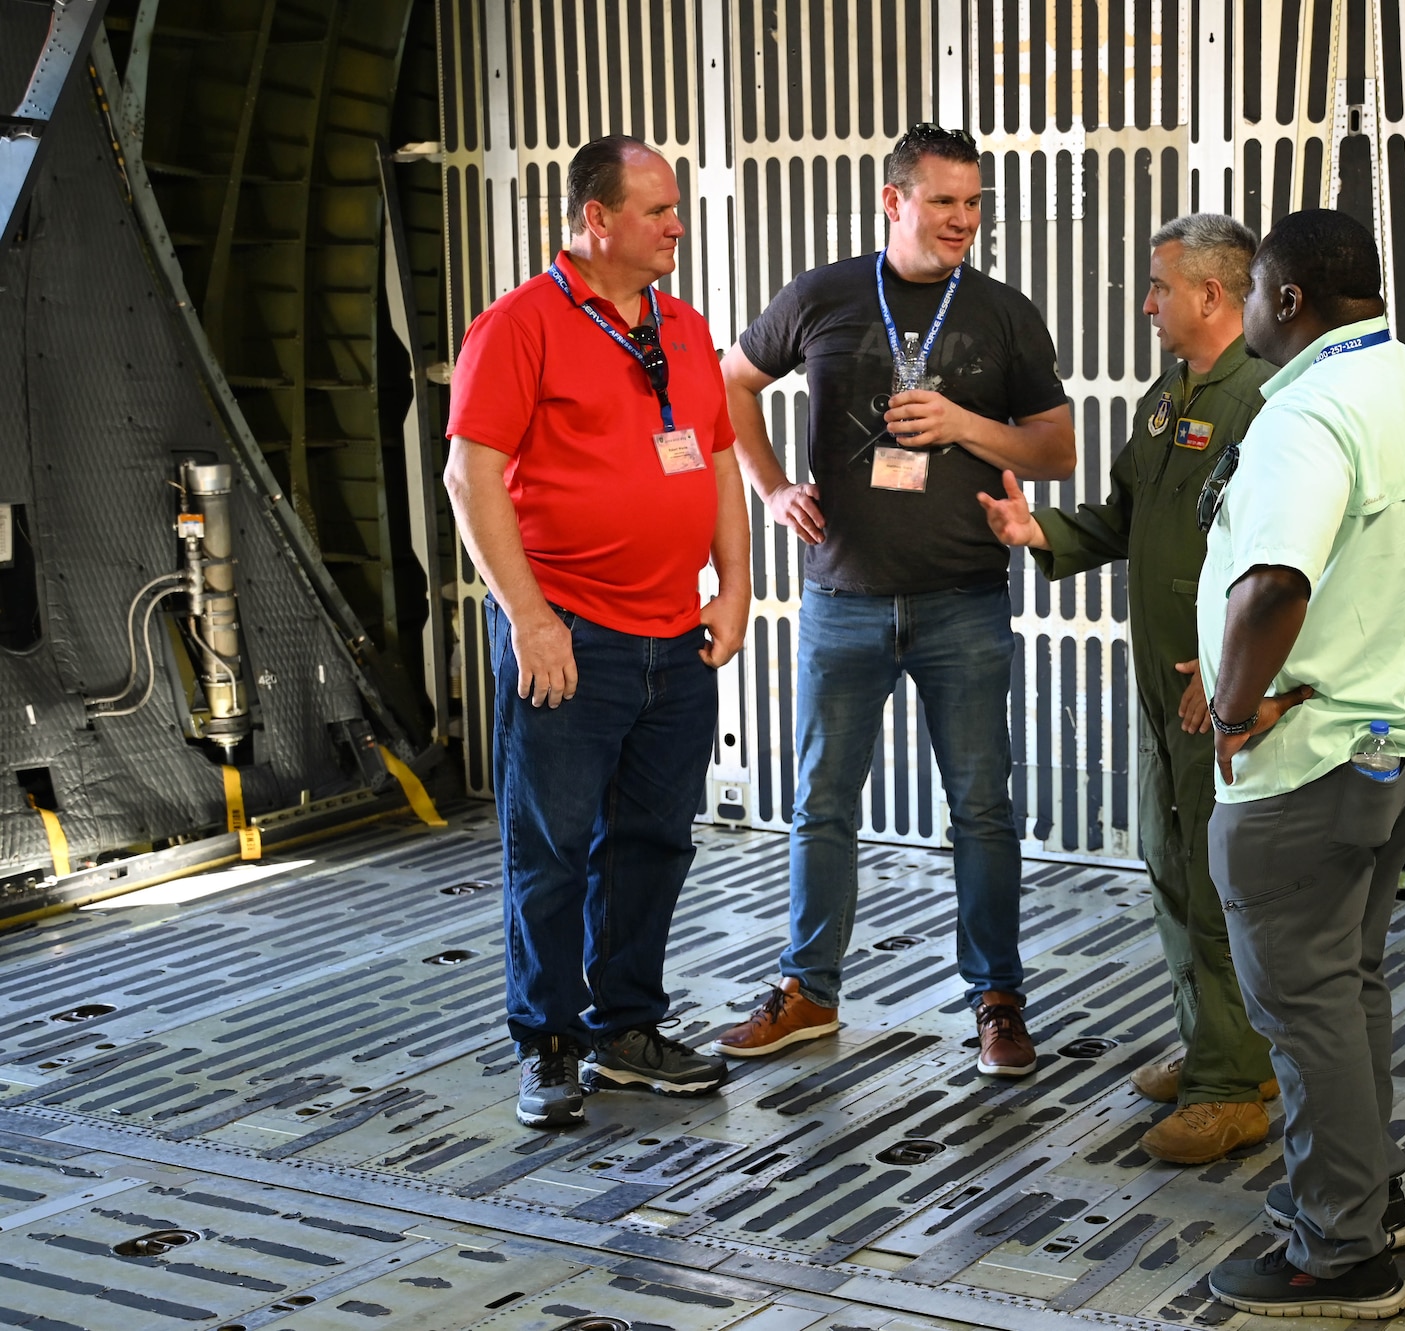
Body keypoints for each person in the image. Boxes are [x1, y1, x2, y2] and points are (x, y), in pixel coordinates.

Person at [1194, 209, 1405, 1318]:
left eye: (1249, 290)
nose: (1241, 310)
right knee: (1348, 986)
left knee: (1301, 1003)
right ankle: (1367, 1199)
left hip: (1310, 758)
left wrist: (1235, 710)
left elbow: (1272, 584)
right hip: (1402, 746)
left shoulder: (1307, 411)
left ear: (1286, 299)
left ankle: (1339, 1250)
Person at [710, 125, 1075, 1076]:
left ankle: (997, 998)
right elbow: (732, 381)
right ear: (894, 200)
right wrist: (772, 485)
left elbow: (1057, 450)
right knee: (822, 803)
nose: (963, 220)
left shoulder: (1002, 312)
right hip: (844, 599)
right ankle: (808, 992)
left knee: (982, 809)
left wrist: (961, 423)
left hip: (964, 599)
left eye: (975, 202)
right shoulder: (824, 294)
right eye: (946, 201)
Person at [443, 135, 749, 1129]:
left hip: (676, 639)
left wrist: (735, 584)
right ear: (596, 220)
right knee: (552, 845)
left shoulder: (682, 326)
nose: (676, 225)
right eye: (657, 210)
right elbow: (470, 476)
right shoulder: (519, 326)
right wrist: (529, 617)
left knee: (653, 841)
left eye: (676, 210)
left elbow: (714, 461)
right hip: (569, 635)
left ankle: (625, 1026)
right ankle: (548, 1040)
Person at [979, 214, 1278, 1164]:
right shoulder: (1169, 396)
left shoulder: (1264, 400)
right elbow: (1125, 515)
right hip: (1158, 678)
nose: (1146, 304)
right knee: (1167, 859)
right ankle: (1218, 1049)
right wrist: (1042, 536)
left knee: (1214, 875)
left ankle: (1236, 1086)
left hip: (1209, 682)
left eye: (1158, 287)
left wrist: (1234, 675)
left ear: (1211, 295)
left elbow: (1282, 557)